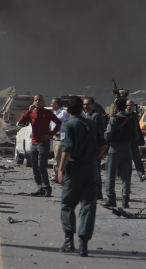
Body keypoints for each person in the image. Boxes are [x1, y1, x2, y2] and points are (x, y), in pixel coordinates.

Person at [58, 96, 108, 257]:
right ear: (81, 108)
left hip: (75, 170)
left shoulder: (68, 124)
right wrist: (93, 158)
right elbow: (104, 145)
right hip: (91, 169)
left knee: (67, 204)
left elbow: (67, 149)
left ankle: (68, 241)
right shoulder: (92, 124)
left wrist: (60, 169)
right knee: (88, 206)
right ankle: (83, 245)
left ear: (68, 110)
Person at [17, 94, 62, 197]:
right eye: (36, 100)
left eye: (39, 100)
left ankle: (47, 188)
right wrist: (28, 110)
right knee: (35, 167)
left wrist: (50, 135)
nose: (37, 102)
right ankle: (40, 188)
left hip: (43, 143)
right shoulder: (32, 113)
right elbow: (20, 121)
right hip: (34, 143)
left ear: (43, 102)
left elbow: (59, 123)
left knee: (41, 165)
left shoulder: (47, 113)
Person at [100, 98, 138, 209]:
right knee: (126, 176)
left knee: (110, 175)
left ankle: (111, 199)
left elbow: (108, 135)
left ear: (116, 107)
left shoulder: (114, 119)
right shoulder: (131, 119)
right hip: (127, 149)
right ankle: (125, 198)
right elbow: (135, 136)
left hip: (115, 149)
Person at [83, 97, 106, 200]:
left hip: (95, 147)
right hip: (89, 147)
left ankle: (97, 194)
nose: (85, 106)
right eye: (84, 104)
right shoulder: (88, 115)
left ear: (93, 105)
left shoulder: (95, 116)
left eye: (87, 104)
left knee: (95, 171)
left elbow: (95, 133)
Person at [126, 99, 146, 181]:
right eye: (127, 105)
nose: (129, 107)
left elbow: (137, 128)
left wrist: (140, 140)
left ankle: (141, 174)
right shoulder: (122, 115)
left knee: (136, 158)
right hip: (124, 142)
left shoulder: (135, 115)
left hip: (133, 142)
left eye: (130, 105)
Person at [50, 97, 68, 183]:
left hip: (61, 137)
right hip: (55, 138)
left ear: (56, 104)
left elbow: (67, 124)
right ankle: (57, 175)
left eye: (52, 103)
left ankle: (56, 176)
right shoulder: (54, 113)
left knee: (58, 158)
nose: (51, 105)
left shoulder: (64, 112)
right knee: (56, 157)